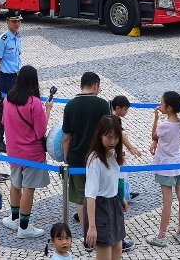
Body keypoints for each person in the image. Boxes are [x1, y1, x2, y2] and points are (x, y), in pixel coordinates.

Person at [1, 65, 55, 238]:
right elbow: (41, 131)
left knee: (15, 184)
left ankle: (14, 218)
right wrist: (48, 110)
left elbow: (4, 122)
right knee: (28, 188)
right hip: (32, 153)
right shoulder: (34, 103)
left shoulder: (7, 100)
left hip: (13, 150)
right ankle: (24, 228)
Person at [62, 72, 111, 240]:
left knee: (81, 198)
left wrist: (66, 158)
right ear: (96, 86)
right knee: (99, 194)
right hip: (98, 158)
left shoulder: (70, 105)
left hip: (76, 159)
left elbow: (66, 137)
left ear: (81, 86)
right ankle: (99, 231)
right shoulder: (102, 105)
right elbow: (108, 133)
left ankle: (86, 236)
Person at [146, 91, 180, 247]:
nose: (160, 105)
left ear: (169, 108)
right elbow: (160, 139)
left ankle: (161, 236)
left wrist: (156, 118)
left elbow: (154, 135)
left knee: (167, 200)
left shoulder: (164, 125)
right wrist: (156, 142)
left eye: (162, 103)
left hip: (166, 165)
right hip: (179, 162)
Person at [84, 115, 128, 260]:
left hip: (114, 204)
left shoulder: (114, 154)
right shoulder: (95, 161)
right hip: (99, 207)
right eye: (109, 137)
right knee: (105, 256)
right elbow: (90, 195)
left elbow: (115, 178)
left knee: (117, 251)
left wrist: (121, 197)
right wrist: (92, 226)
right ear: (100, 135)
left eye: (116, 137)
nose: (113, 142)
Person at [0, 12, 23, 96]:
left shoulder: (18, 37)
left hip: (17, 75)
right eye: (14, 21)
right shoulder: (2, 40)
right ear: (7, 22)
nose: (17, 24)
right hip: (6, 77)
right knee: (5, 102)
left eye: (19, 21)